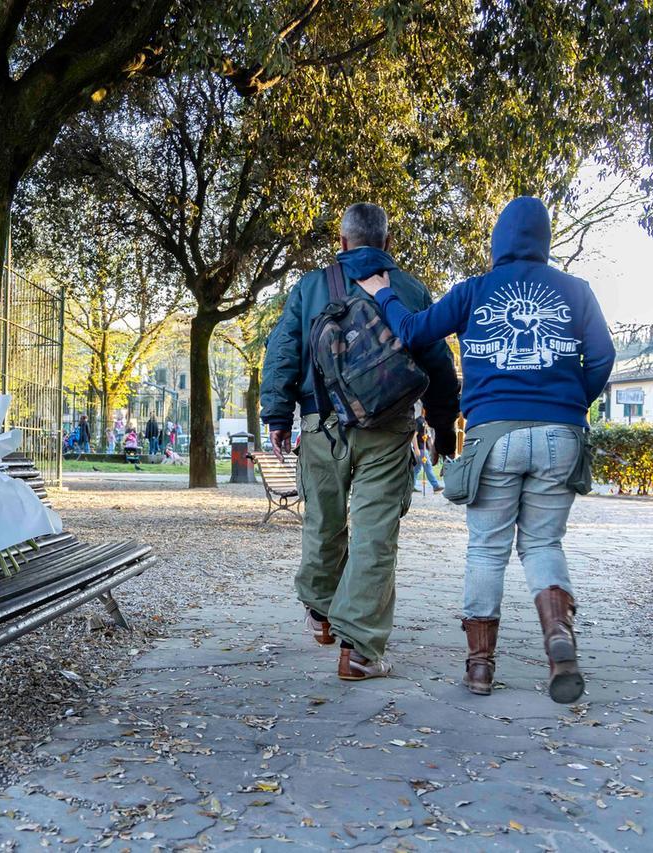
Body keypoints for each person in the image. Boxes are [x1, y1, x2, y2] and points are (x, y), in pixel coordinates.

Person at [356, 196, 615, 703]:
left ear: (498, 241)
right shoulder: (577, 291)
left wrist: (384, 294)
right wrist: (568, 404)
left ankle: (479, 668)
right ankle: (559, 637)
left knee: (486, 550)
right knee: (543, 544)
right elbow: (603, 355)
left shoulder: (475, 290)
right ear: (544, 240)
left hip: (493, 437)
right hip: (561, 437)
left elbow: (410, 331)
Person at [260, 202, 460, 681]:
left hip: (320, 425)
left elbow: (284, 350)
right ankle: (360, 650)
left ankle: (321, 610)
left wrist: (277, 415)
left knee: (323, 521)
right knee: (374, 534)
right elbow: (437, 361)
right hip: (389, 430)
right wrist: (442, 422)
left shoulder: (310, 286)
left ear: (343, 241)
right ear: (387, 244)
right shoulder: (408, 288)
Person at [410, 415, 444, 493]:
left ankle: (411, 486)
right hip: (421, 449)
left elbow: (427, 436)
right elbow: (414, 435)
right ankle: (435, 486)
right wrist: (416, 449)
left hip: (423, 448)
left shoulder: (425, 421)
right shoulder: (419, 420)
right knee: (428, 466)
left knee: (416, 469)